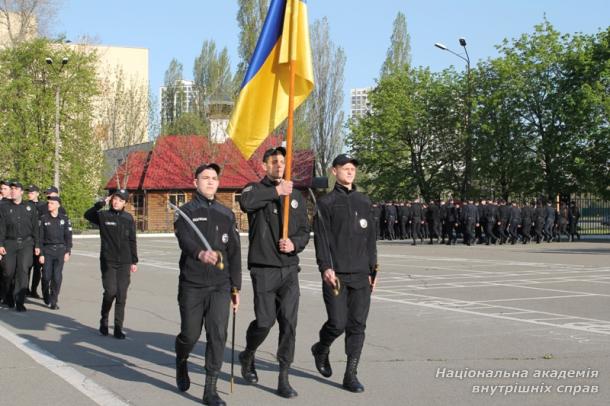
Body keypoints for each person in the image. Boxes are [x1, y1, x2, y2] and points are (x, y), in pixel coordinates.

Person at [238, 147, 309, 398]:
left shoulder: (297, 196)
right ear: (265, 166)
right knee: (265, 322)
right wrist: (276, 191)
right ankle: (248, 354)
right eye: (274, 162)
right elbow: (246, 203)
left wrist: (295, 244)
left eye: (283, 161)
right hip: (264, 268)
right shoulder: (254, 189)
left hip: (289, 268)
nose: (280, 165)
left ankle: (284, 376)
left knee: (289, 323)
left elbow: (304, 231)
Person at [173, 163, 241, 406]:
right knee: (190, 334)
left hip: (220, 285)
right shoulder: (185, 212)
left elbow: (234, 252)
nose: (210, 181)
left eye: (214, 178)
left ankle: (210, 389)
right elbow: (185, 239)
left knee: (218, 334)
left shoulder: (226, 214)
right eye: (205, 178)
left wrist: (236, 287)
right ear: (195, 182)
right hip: (192, 283)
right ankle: (181, 360)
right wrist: (200, 253)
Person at [311, 154, 378, 394]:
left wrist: (374, 269)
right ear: (334, 171)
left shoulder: (364, 201)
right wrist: (325, 267)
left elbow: (371, 239)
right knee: (338, 323)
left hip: (361, 274)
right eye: (345, 168)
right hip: (336, 274)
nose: (350, 172)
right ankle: (321, 347)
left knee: (357, 325)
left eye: (353, 169)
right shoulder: (326, 203)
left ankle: (350, 374)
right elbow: (321, 239)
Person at [84, 189, 138, 339]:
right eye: (115, 199)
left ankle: (118, 328)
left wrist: (134, 260)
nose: (117, 202)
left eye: (121, 200)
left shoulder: (128, 218)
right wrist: (101, 203)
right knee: (110, 292)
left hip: (125, 261)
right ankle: (104, 319)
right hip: (108, 260)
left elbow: (132, 240)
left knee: (122, 295)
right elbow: (87, 215)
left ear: (125, 203)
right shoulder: (103, 215)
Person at [0, 181, 40, 311]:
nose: (13, 190)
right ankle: (8, 297)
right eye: (11, 188)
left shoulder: (30, 207)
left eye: (16, 189)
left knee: (23, 271)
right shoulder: (4, 207)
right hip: (9, 243)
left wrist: (37, 245)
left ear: (22, 192)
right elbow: (1, 228)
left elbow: (35, 228)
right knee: (8, 272)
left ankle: (20, 301)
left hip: (26, 243)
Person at [39, 196, 72, 309]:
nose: (49, 205)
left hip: (60, 251)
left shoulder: (64, 219)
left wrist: (68, 251)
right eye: (48, 203)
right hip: (47, 251)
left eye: (52, 203)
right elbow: (40, 238)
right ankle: (46, 295)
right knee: (46, 277)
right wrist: (41, 254)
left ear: (58, 205)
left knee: (57, 277)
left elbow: (68, 237)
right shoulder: (44, 219)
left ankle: (54, 301)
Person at [26, 184, 46, 299]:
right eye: (28, 192)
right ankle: (26, 289)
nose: (30, 194)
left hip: (39, 240)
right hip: (29, 240)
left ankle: (34, 290)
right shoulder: (25, 205)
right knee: (26, 267)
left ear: (37, 193)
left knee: (38, 268)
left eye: (32, 192)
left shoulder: (43, 205)